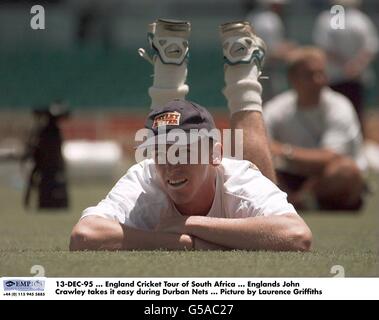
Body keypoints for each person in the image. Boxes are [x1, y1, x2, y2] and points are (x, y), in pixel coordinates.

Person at [69, 19, 311, 251]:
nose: (172, 163)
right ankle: (179, 68)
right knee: (168, 125)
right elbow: (84, 235)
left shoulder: (240, 182)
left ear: (215, 154)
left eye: (184, 151)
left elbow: (297, 236)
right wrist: (181, 243)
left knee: (257, 170)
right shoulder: (145, 180)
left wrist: (189, 224)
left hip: (228, 176)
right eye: (161, 153)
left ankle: (241, 73)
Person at [264, 47, 366, 210]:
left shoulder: (339, 106)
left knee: (346, 171)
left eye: (322, 73)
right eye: (310, 75)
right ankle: (299, 200)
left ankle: (301, 199)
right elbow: (259, 145)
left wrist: (283, 151)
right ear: (293, 79)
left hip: (327, 176)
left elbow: (330, 157)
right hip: (289, 176)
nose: (319, 80)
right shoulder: (276, 108)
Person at [313, 0, 379, 126]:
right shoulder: (361, 19)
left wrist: (346, 65)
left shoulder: (326, 19)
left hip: (334, 77)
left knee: (333, 114)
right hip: (356, 77)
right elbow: (371, 47)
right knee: (356, 114)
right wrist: (355, 65)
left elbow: (324, 47)